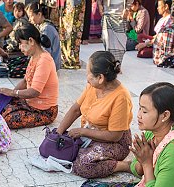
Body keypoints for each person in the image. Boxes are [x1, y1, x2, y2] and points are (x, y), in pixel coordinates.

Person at [56, 51, 132, 179]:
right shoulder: (92, 86)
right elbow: (76, 109)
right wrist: (58, 133)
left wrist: (82, 132)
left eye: (88, 74)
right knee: (63, 151)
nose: (87, 78)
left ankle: (124, 166)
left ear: (100, 78)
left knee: (83, 166)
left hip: (115, 142)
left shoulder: (121, 97)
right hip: (91, 134)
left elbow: (115, 135)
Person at [0, 24, 59, 129]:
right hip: (30, 103)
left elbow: (34, 91)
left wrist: (13, 93)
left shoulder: (44, 60)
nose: (20, 47)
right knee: (1, 106)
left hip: (44, 111)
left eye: (21, 43)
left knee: (8, 120)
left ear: (31, 41)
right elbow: (26, 81)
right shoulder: (34, 56)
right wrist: (10, 95)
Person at [26, 2, 61, 70]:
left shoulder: (47, 29)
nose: (29, 19)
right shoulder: (41, 26)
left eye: (31, 16)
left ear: (39, 14)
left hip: (50, 65)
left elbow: (45, 51)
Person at [59, 0, 86, 69]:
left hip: (73, 4)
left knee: (72, 31)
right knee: (67, 31)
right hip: (68, 4)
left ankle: (71, 60)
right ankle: (68, 58)